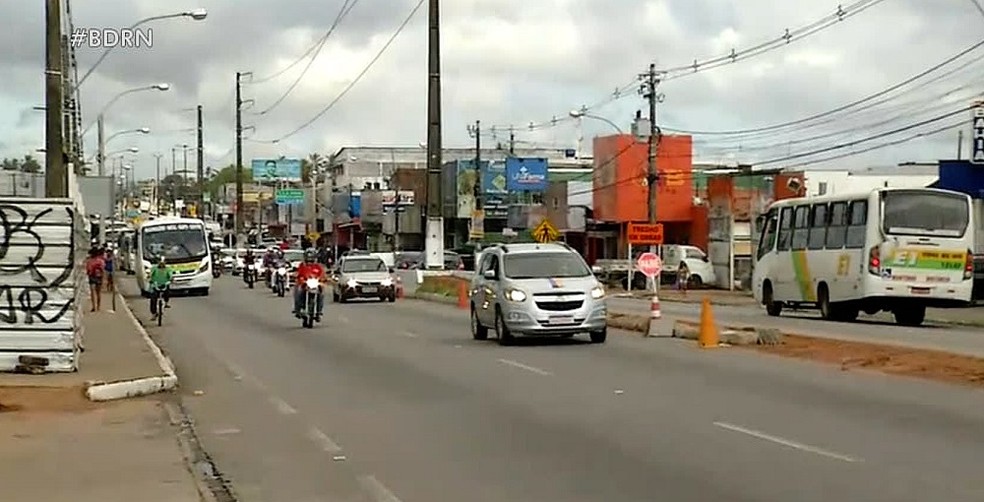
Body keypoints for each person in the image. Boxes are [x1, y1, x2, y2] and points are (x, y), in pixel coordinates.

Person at [293, 249, 326, 319]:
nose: (310, 261)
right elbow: (298, 274)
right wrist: (300, 279)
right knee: (298, 291)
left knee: (321, 294)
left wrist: (322, 280)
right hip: (304, 284)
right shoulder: (302, 265)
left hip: (315, 284)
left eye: (311, 259)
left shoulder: (318, 266)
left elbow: (322, 275)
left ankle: (318, 312)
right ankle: (298, 309)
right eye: (308, 258)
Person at [85, 247, 105, 312]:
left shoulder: (89, 261)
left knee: (92, 292)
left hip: (92, 277)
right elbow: (103, 269)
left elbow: (88, 270)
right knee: (98, 293)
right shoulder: (101, 261)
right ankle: (98, 306)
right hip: (99, 277)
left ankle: (94, 306)